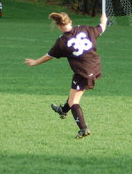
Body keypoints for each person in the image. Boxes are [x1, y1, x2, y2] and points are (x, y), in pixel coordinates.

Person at [25, 11, 108, 139]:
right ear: (71, 22)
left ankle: (83, 129)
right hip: (95, 68)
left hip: (83, 72)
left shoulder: (62, 41)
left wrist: (35, 62)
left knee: (74, 101)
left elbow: (49, 56)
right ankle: (63, 110)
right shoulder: (85, 29)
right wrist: (103, 20)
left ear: (59, 26)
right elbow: (101, 28)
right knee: (74, 93)